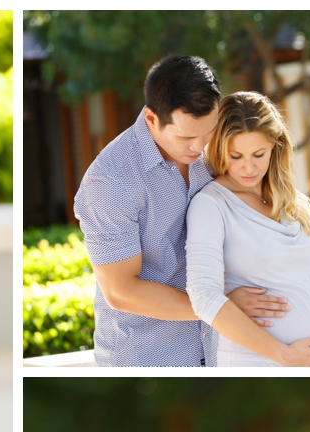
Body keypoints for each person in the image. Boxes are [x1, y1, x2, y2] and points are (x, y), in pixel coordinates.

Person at [74, 55, 290, 366]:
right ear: (152, 119)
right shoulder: (110, 182)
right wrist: (222, 307)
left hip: (217, 354)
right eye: (186, 137)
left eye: (208, 132)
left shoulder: (212, 150)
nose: (199, 147)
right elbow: (121, 291)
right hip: (146, 361)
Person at [186, 92, 310, 367]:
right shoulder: (211, 204)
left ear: (275, 146)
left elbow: (308, 276)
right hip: (259, 363)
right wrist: (283, 355)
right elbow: (204, 297)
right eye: (235, 156)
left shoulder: (288, 199)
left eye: (258, 155)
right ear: (219, 149)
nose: (248, 168)